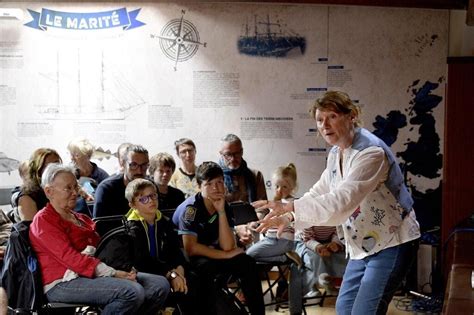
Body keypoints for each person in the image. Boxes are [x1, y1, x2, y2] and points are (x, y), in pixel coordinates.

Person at [255, 91, 420, 315]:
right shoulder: (336, 153)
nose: (325, 125)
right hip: (363, 244)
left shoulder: (371, 153)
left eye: (332, 116)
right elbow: (321, 190)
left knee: (364, 312)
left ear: (351, 116)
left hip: (393, 242)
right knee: (345, 308)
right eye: (320, 120)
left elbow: (341, 202)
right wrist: (289, 216)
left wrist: (291, 207)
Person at [29, 163, 169, 314]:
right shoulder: (44, 220)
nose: (75, 193)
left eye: (75, 187)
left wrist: (122, 267)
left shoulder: (80, 217)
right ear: (49, 191)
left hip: (92, 273)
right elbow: (70, 258)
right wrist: (113, 273)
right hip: (61, 282)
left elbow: (104, 250)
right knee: (131, 292)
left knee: (159, 285)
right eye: (68, 188)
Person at [173, 162, 264, 315]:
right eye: (209, 184)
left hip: (214, 254)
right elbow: (191, 249)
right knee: (205, 269)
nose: (216, 188)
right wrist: (226, 255)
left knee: (247, 263)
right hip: (189, 261)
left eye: (220, 182)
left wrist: (221, 211)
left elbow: (228, 246)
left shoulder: (224, 205)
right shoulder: (191, 209)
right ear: (199, 186)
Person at [124, 178, 196, 314]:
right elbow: (141, 261)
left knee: (192, 278)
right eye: (143, 199)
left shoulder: (163, 221)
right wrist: (171, 274)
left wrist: (179, 270)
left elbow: (175, 250)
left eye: (153, 195)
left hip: (165, 270)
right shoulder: (131, 228)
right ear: (132, 205)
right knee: (163, 284)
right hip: (143, 272)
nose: (151, 200)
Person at [218, 134, 268, 246]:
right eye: (228, 155)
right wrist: (235, 228)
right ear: (221, 154)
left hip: (252, 230)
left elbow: (262, 207)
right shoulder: (215, 180)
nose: (233, 159)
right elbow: (212, 212)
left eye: (237, 153)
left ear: (242, 152)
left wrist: (254, 223)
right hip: (224, 229)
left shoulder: (255, 175)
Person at [289, 226, 347, 315]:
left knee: (344, 257)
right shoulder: (308, 215)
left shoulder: (335, 214)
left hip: (328, 240)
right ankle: (316, 285)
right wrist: (318, 246)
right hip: (304, 241)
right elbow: (307, 238)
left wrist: (335, 243)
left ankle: (330, 281)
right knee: (312, 260)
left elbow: (338, 231)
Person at [246, 163, 298, 263]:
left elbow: (292, 219)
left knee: (249, 255)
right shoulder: (274, 202)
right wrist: (257, 223)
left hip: (283, 241)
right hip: (270, 239)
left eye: (284, 187)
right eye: (277, 186)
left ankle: (284, 258)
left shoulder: (292, 203)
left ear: (293, 187)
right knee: (247, 255)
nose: (279, 190)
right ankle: (284, 257)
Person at [93, 144, 149, 218]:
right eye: (133, 165)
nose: (139, 171)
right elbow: (99, 224)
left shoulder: (151, 187)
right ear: (123, 164)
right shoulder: (106, 189)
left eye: (144, 165)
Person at [16, 148, 62, 221]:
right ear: (38, 169)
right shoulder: (27, 197)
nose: (55, 169)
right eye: (49, 166)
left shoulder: (63, 187)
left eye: (57, 164)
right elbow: (32, 229)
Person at [67, 138, 109, 216]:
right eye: (70, 154)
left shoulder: (102, 176)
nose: (71, 158)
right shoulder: (68, 175)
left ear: (87, 156)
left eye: (76, 155)